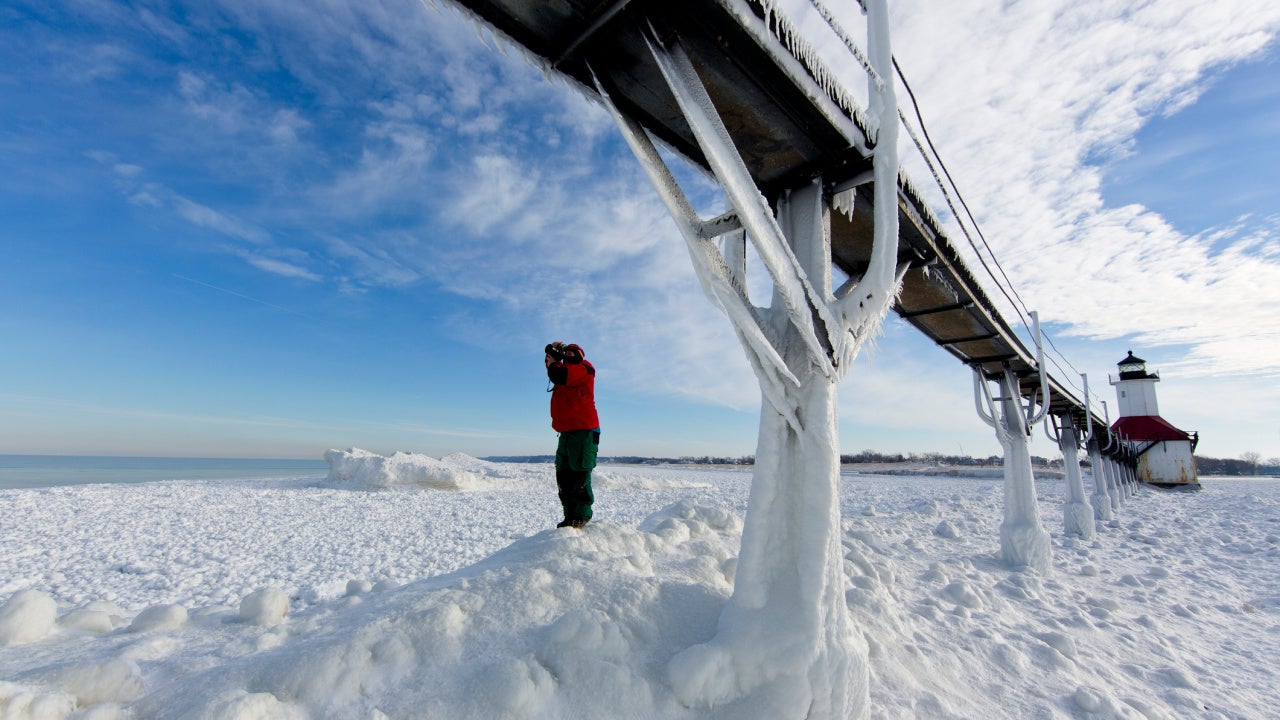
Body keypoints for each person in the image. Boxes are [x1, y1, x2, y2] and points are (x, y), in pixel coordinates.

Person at [545, 341, 600, 528]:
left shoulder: (585, 368)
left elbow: (559, 374)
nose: (568, 355)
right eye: (565, 353)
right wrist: (553, 356)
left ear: (581, 356)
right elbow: (554, 370)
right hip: (566, 433)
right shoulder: (563, 371)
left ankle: (582, 516)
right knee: (564, 475)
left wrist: (554, 360)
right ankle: (569, 516)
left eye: (572, 353)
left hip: (584, 431)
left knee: (579, 474)